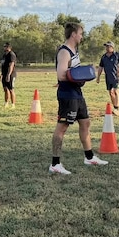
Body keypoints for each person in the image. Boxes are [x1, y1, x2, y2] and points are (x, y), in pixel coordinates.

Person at [49, 23, 109, 175]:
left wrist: (84, 73)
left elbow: (73, 71)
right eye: (80, 33)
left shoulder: (75, 51)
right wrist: (80, 76)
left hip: (77, 94)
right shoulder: (64, 51)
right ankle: (55, 163)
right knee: (62, 127)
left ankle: (89, 157)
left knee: (85, 122)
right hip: (67, 95)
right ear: (73, 34)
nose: (82, 36)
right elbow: (61, 74)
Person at [96, 41, 119, 114]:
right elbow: (101, 67)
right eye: (106, 46)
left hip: (116, 77)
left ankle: (116, 108)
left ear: (112, 47)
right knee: (111, 93)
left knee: (116, 91)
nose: (106, 48)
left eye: (108, 46)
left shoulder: (117, 55)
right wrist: (98, 77)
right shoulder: (103, 57)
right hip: (108, 78)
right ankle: (115, 107)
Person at [0, 42, 17, 109]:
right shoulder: (4, 55)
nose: (5, 48)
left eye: (6, 47)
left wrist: (8, 75)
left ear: (9, 48)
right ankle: (6, 103)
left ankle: (13, 104)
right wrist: (1, 74)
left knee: (11, 89)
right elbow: (3, 65)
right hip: (4, 74)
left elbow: (11, 65)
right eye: (4, 46)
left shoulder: (11, 55)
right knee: (5, 89)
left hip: (11, 74)